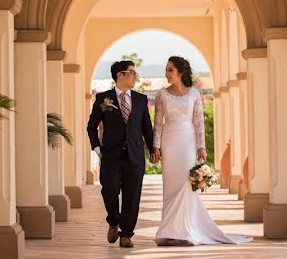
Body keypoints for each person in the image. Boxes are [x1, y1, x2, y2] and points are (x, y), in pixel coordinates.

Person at [151, 56, 240, 246]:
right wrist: (156, 147)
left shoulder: (194, 94)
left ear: (180, 72)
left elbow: (199, 123)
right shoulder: (161, 95)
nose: (166, 73)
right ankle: (169, 232)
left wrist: (202, 147)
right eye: (166, 69)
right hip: (169, 141)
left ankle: (186, 230)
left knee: (186, 184)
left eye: (170, 70)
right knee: (170, 187)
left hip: (188, 142)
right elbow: (157, 123)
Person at [86, 60, 154, 248]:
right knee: (109, 189)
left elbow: (147, 128)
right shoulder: (103, 99)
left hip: (135, 155)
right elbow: (91, 127)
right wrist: (97, 149)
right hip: (110, 155)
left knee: (132, 195)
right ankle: (113, 221)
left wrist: (153, 149)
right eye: (132, 72)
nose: (135, 76)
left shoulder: (140, 99)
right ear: (120, 75)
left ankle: (126, 234)